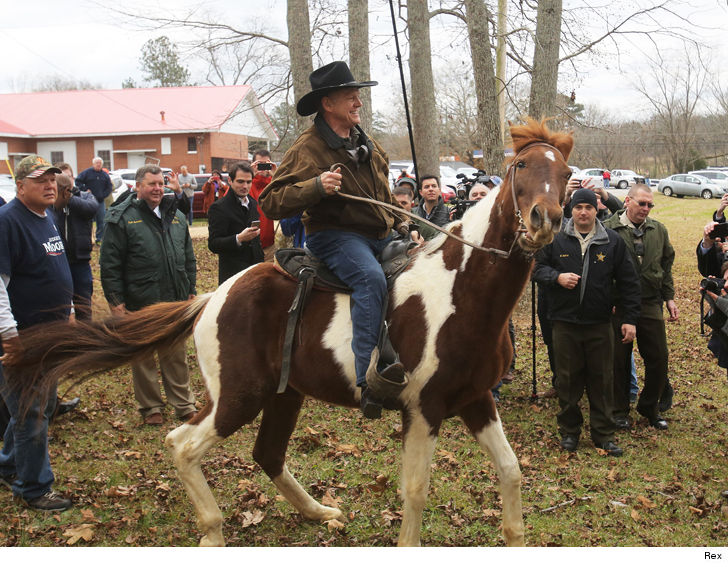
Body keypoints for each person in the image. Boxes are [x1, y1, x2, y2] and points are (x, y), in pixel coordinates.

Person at [259, 61, 416, 419]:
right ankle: (368, 382)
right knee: (369, 279)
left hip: (380, 235)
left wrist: (405, 225)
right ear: (327, 104)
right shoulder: (307, 148)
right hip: (335, 238)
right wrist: (315, 187)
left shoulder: (367, 142)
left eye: (358, 96)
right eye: (350, 97)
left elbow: (384, 197)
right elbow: (270, 200)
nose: (358, 103)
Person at [533, 189, 640, 457]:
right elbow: (535, 269)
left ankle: (603, 434)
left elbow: (629, 283)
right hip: (564, 322)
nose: (583, 212)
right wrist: (556, 277)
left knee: (601, 379)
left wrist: (629, 319)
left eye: (588, 208)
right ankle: (569, 432)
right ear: (571, 210)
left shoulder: (612, 242)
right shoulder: (555, 240)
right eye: (578, 207)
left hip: (599, 323)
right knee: (567, 380)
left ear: (596, 210)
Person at [0, 155, 74, 511]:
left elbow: (55, 270)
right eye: (40, 180)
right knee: (30, 411)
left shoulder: (46, 217)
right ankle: (34, 488)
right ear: (20, 186)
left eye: (52, 179)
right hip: (24, 337)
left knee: (38, 407)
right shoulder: (7, 221)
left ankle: (10, 465)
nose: (50, 186)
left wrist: (70, 313)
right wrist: (9, 336)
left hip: (51, 334)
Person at [99, 165, 198, 426]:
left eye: (160, 183)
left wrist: (191, 291)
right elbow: (110, 264)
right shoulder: (121, 218)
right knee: (143, 357)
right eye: (151, 184)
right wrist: (116, 303)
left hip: (173, 299)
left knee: (175, 354)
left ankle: (184, 405)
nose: (157, 188)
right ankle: (151, 407)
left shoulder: (174, 215)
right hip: (139, 301)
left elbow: (188, 257)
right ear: (138, 187)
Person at [604, 184, 678, 431]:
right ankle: (619, 411)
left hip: (649, 302)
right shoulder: (607, 230)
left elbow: (666, 265)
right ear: (627, 201)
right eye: (641, 203)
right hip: (619, 305)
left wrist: (669, 297)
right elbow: (599, 271)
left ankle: (649, 406)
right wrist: (608, 302)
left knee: (659, 357)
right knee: (618, 360)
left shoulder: (658, 230)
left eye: (650, 205)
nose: (646, 209)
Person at [207, 162, 264, 285]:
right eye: (240, 181)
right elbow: (213, 244)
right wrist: (239, 238)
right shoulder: (218, 208)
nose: (245, 186)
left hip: (256, 273)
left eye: (249, 182)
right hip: (233, 277)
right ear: (230, 181)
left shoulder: (253, 203)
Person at [52, 172, 98, 320]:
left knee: (83, 304)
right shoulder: (52, 201)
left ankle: (86, 336)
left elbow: (91, 209)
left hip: (80, 260)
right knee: (60, 304)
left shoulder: (84, 196)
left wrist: (68, 198)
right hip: (58, 261)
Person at [76, 156, 112, 244]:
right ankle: (88, 239)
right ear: (93, 164)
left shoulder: (105, 175)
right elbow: (78, 181)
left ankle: (99, 239)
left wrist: (104, 195)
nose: (98, 165)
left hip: (100, 201)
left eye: (100, 163)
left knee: (101, 221)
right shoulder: (87, 173)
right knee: (88, 221)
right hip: (88, 201)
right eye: (97, 163)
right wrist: (85, 190)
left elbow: (109, 187)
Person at [249, 150, 277, 249]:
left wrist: (276, 176)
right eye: (259, 165)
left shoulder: (273, 184)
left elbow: (287, 198)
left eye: (266, 165)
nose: (262, 169)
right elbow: (230, 197)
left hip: (269, 244)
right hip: (249, 246)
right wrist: (250, 175)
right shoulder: (246, 184)